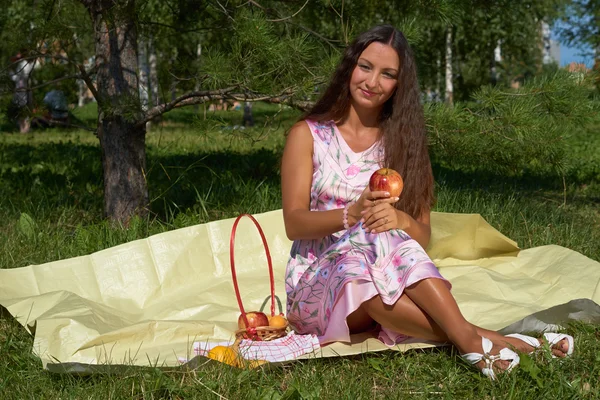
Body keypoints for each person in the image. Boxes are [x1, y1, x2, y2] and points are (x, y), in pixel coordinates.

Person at [280, 25, 574, 380]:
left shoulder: (404, 146)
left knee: (379, 239)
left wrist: (400, 221)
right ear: (349, 68)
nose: (373, 81)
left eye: (388, 74)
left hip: (375, 284)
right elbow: (294, 223)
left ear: (399, 85)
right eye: (365, 66)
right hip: (316, 289)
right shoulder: (308, 134)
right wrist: (351, 214)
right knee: (364, 246)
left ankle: (475, 342)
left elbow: (421, 238)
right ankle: (486, 339)